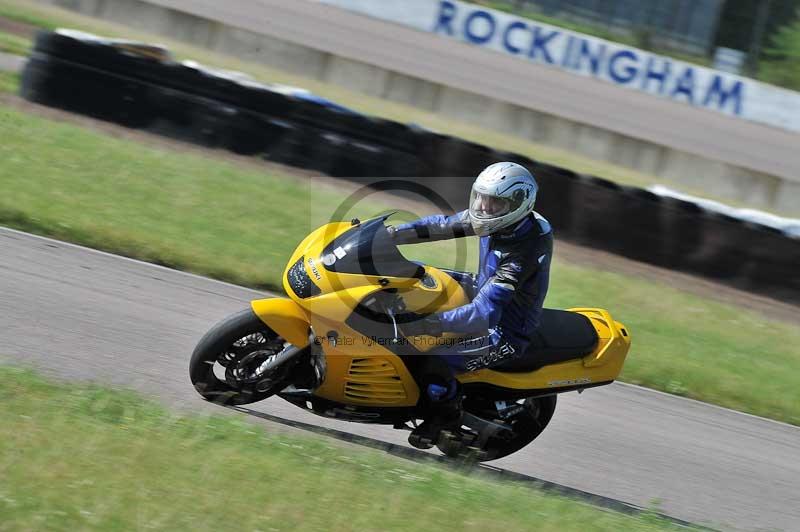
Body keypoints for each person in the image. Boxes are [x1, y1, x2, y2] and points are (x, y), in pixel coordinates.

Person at [388, 162, 553, 449]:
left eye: (494, 202)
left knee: (430, 358)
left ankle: (445, 417)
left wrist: (427, 323)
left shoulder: (523, 252)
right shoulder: (501, 219)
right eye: (481, 198)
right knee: (411, 275)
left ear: (517, 204)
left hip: (503, 331)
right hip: (480, 288)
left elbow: (484, 313)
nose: (484, 207)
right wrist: (392, 234)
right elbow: (442, 225)